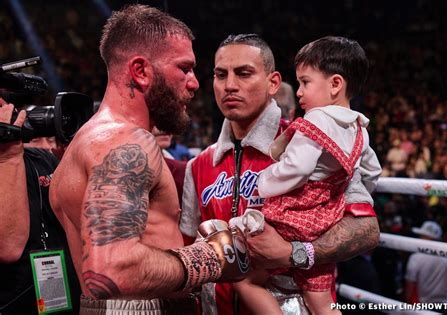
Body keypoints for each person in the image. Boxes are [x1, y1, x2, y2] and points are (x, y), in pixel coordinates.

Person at [49, 5, 249, 314]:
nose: (195, 82)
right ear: (140, 71)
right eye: (184, 68)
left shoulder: (84, 141)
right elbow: (110, 272)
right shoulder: (126, 141)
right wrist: (209, 259)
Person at [180, 33, 381, 315]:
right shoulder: (199, 165)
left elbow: (367, 230)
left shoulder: (316, 144)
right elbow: (189, 247)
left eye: (244, 73)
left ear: (273, 82)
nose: (230, 85)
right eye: (220, 75)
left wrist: (295, 252)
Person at [0, 100, 81, 314]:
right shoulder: (10, 157)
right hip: (13, 301)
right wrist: (9, 158)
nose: (6, 108)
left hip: (62, 294)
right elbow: (8, 247)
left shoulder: (42, 157)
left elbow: (75, 223)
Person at [404, 221, 447, 304]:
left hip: (423, 307)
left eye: (422, 236)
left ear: (427, 237)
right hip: (445, 306)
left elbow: (409, 287)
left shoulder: (416, 258)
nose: (420, 238)